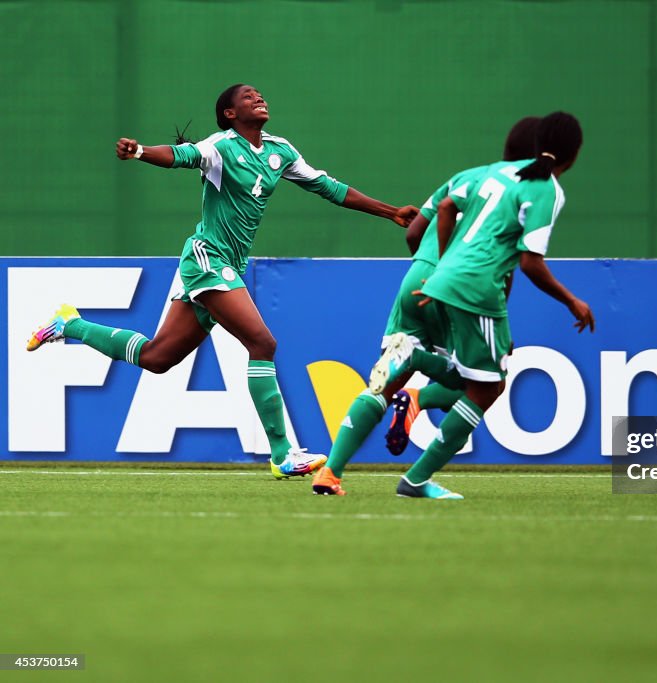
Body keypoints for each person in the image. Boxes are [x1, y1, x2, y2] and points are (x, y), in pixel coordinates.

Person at [26, 84, 419, 480]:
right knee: (262, 343)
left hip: (228, 263)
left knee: (157, 358)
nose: (258, 97)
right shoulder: (221, 147)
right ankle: (283, 454)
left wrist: (390, 213)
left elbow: (329, 188)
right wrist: (142, 151)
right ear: (230, 113)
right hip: (207, 257)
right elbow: (181, 155)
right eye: (247, 96)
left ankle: (69, 324)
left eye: (260, 94)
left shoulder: (281, 150)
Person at [368, 111, 595, 500]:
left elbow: (433, 218)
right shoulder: (544, 188)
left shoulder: (485, 174)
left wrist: (441, 265)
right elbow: (527, 262)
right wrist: (572, 300)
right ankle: (416, 477)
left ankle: (412, 397)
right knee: (487, 388)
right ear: (574, 154)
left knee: (476, 377)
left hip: (438, 281)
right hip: (474, 289)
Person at [311, 116, 541, 496]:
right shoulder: (528, 193)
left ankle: (330, 473)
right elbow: (507, 266)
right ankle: (418, 406)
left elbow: (415, 229)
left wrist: (429, 270)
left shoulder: (467, 178)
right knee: (481, 384)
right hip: (461, 293)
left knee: (382, 385)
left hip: (416, 278)